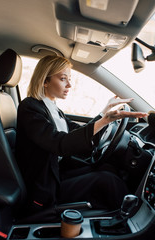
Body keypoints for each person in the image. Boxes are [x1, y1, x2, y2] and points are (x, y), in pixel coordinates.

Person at [15, 55, 148, 214]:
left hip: (59, 172)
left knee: (108, 168)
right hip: (44, 187)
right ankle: (131, 222)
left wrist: (103, 113)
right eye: (63, 79)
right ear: (45, 80)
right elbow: (60, 144)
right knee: (108, 181)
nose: (70, 85)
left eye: (69, 79)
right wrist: (105, 121)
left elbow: (75, 134)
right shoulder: (30, 108)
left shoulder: (53, 109)